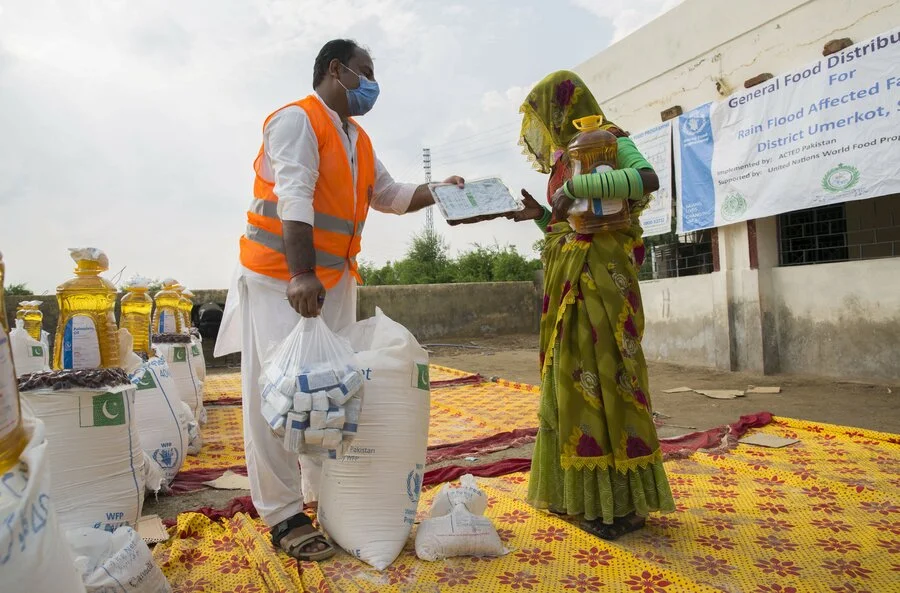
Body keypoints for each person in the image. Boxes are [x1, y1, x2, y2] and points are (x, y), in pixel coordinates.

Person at [214, 39, 464, 561]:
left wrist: (438, 190)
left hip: (332, 281)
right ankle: (283, 514)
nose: (373, 85)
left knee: (327, 392)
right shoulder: (296, 121)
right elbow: (295, 195)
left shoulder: (358, 138)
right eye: (366, 72)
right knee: (277, 395)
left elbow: (389, 195)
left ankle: (319, 493)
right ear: (337, 69)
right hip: (281, 279)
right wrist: (301, 273)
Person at [506, 71, 674, 539]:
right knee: (570, 380)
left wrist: (578, 189)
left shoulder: (611, 139)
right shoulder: (564, 160)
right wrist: (540, 215)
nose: (545, 131)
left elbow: (646, 178)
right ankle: (578, 496)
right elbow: (572, 225)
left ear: (565, 106)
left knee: (612, 379)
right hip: (568, 284)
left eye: (547, 117)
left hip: (606, 278)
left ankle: (625, 506)